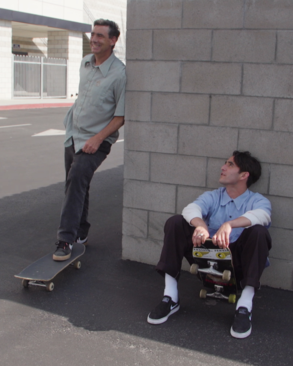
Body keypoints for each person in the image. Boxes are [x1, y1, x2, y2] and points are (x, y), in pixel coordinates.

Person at [147, 151, 272, 339]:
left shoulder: (258, 200)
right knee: (176, 222)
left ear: (244, 175)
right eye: (225, 163)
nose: (223, 167)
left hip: (238, 264)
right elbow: (191, 209)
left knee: (259, 232)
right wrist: (201, 226)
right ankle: (170, 297)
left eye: (230, 165)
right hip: (206, 258)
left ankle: (245, 305)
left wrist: (229, 225)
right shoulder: (213, 196)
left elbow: (263, 216)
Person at [52, 19, 126, 261]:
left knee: (76, 180)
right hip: (74, 135)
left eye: (100, 36)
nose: (94, 39)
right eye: (93, 34)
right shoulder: (85, 62)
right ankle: (81, 231)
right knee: (75, 184)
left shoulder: (119, 74)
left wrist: (97, 138)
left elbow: (120, 117)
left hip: (97, 140)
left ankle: (65, 239)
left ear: (113, 41)